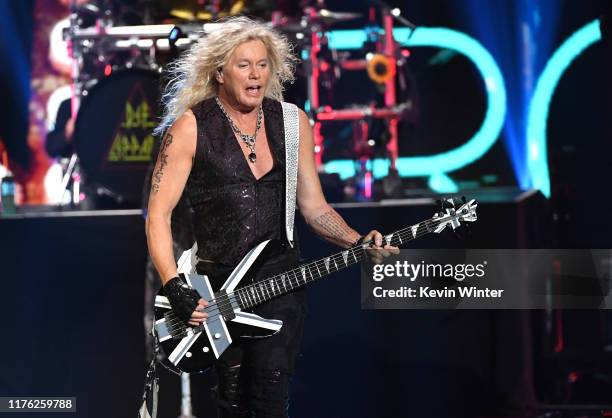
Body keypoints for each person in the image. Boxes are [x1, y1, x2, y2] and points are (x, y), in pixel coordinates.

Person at [145, 16, 398, 417]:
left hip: (281, 283)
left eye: (262, 64)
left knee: (268, 400)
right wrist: (175, 287)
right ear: (220, 72)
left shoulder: (293, 122)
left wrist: (356, 240)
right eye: (244, 65)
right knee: (232, 404)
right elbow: (157, 216)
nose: (256, 74)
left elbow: (314, 208)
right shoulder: (191, 128)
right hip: (219, 292)